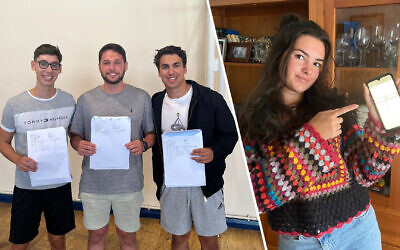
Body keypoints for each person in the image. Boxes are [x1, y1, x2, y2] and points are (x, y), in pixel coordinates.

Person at [239, 14, 400, 250]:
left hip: (359, 231)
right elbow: (255, 196)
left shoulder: (333, 108)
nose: (308, 70)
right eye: (300, 57)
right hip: (300, 243)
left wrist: (381, 129)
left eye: (317, 63)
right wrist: (312, 138)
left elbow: (367, 175)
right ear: (279, 55)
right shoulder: (250, 121)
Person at [151, 45, 238, 250]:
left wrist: (213, 152)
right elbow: (152, 138)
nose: (171, 71)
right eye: (165, 67)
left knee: (208, 239)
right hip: (171, 182)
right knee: (178, 237)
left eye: (176, 65)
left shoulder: (211, 99)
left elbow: (230, 135)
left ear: (185, 68)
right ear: (159, 72)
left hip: (206, 183)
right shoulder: (155, 102)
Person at [70, 43, 155, 250]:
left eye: (117, 62)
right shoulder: (86, 99)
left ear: (125, 65)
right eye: (106, 63)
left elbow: (152, 134)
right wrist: (79, 144)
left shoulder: (141, 97)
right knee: (96, 235)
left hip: (128, 184)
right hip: (94, 184)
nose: (112, 67)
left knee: (127, 237)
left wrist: (143, 144)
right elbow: (75, 135)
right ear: (99, 67)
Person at [0, 44, 76, 250]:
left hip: (59, 184)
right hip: (27, 186)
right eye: (43, 64)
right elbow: (3, 142)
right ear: (33, 65)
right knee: (19, 242)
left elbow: (74, 135)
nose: (48, 70)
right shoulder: (15, 104)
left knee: (58, 239)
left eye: (54, 65)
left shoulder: (68, 101)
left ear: (60, 69)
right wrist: (18, 160)